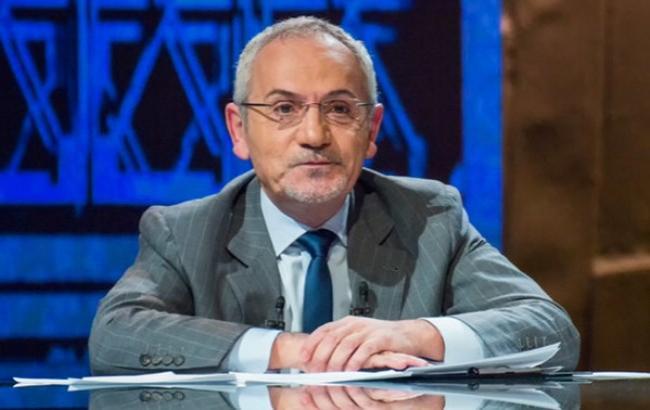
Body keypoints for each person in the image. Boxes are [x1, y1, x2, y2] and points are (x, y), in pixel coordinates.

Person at [89, 16, 579, 376]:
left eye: (340, 109)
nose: (314, 135)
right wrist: (289, 349)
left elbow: (551, 331)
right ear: (239, 130)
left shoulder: (430, 219)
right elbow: (115, 335)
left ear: (372, 129)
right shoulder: (184, 232)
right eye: (284, 108)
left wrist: (414, 336)